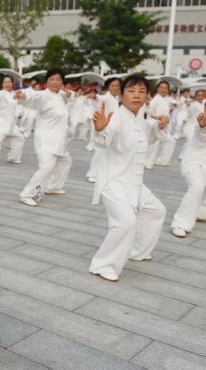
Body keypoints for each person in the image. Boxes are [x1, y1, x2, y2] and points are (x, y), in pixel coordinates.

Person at [89, 75, 168, 282]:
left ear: (147, 96)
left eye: (141, 91)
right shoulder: (115, 117)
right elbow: (105, 138)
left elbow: (148, 138)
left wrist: (160, 125)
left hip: (134, 183)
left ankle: (138, 251)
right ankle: (103, 264)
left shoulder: (141, 118)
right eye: (131, 91)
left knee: (156, 210)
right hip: (113, 181)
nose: (137, 95)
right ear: (122, 94)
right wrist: (100, 130)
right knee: (125, 222)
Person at [16, 69, 72, 207]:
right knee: (46, 166)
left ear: (62, 83)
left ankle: (53, 186)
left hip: (59, 139)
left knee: (65, 161)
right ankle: (26, 194)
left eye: (58, 80)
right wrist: (23, 96)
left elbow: (70, 96)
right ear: (47, 81)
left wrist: (69, 94)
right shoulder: (43, 95)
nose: (55, 82)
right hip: (45, 138)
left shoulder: (60, 95)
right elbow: (33, 97)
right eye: (52, 79)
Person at [171, 91, 206, 238]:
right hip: (194, 161)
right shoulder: (200, 124)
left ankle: (201, 211)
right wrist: (203, 128)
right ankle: (180, 223)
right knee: (197, 187)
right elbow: (200, 137)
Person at [86, 77, 121, 183]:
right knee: (99, 151)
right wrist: (94, 96)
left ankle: (103, 173)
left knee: (109, 152)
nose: (115, 88)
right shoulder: (106, 97)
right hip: (102, 128)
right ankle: (92, 174)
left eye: (117, 86)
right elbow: (99, 98)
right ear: (108, 87)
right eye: (113, 85)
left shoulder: (117, 98)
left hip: (113, 128)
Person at [145, 81, 177, 168]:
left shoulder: (167, 99)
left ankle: (162, 160)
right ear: (158, 89)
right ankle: (147, 163)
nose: (163, 89)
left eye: (165, 88)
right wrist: (160, 118)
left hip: (164, 124)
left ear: (168, 90)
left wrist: (165, 119)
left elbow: (175, 105)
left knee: (170, 141)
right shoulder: (155, 100)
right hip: (154, 123)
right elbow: (150, 114)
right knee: (154, 144)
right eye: (161, 87)